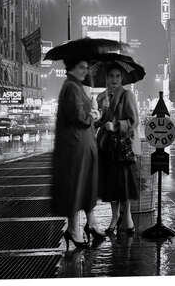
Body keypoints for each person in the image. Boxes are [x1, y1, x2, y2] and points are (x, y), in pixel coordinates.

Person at [52, 59, 105, 250]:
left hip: (81, 145)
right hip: (75, 147)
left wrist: (92, 113)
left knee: (85, 184)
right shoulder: (72, 87)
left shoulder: (75, 86)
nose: (85, 70)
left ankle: (89, 223)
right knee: (76, 186)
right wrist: (93, 113)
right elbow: (78, 117)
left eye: (86, 66)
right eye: (81, 67)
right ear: (71, 68)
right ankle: (74, 230)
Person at [96, 64, 140, 235]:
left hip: (122, 148)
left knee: (124, 185)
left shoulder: (127, 95)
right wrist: (95, 120)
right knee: (110, 186)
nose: (114, 80)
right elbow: (100, 120)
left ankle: (127, 218)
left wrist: (115, 125)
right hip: (107, 147)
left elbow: (134, 121)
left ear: (121, 79)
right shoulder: (102, 97)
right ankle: (114, 219)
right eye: (111, 76)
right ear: (106, 78)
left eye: (117, 76)